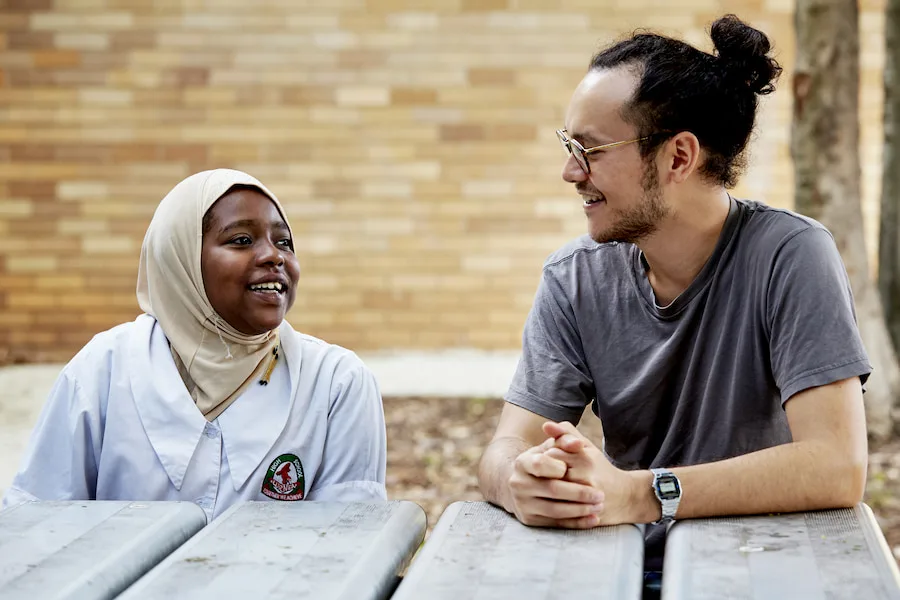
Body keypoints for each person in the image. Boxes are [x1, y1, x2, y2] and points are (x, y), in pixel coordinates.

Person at [477, 13, 871, 589]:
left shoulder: (791, 255)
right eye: (568, 147)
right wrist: (522, 481)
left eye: (590, 150)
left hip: (763, 571)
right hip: (619, 573)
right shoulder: (573, 278)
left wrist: (639, 494)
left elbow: (837, 466)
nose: (569, 172)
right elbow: (504, 447)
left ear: (678, 158)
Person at [3, 169, 386, 520]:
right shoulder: (104, 369)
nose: (274, 256)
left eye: (284, 242)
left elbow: (346, 544)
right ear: (180, 259)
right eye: (241, 239)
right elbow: (38, 525)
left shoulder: (337, 382)